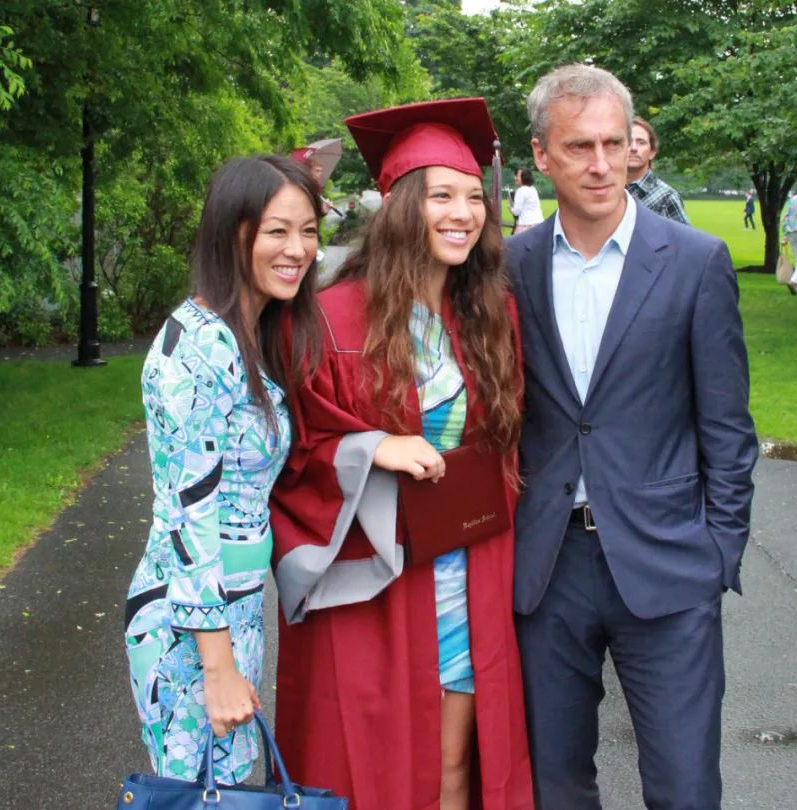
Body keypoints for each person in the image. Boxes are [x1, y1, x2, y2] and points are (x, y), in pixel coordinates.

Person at [269, 98, 534, 810]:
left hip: (470, 572)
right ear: (398, 205)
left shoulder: (491, 314)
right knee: (375, 768)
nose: (463, 213)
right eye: (441, 195)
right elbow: (292, 456)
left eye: (474, 197)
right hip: (377, 581)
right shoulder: (331, 318)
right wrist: (373, 447)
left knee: (456, 766)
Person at [506, 64, 758, 809]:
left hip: (668, 563)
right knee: (554, 786)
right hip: (547, 567)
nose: (601, 164)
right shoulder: (509, 267)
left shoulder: (695, 262)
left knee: (684, 788)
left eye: (613, 144)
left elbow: (728, 428)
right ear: (541, 154)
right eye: (579, 146)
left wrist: (717, 552)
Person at [124, 155, 323, 784]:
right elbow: (186, 515)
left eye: (309, 231)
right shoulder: (196, 349)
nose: (298, 250)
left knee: (226, 786)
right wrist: (218, 668)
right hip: (190, 627)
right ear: (233, 233)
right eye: (277, 231)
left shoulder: (246, 333)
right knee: (204, 793)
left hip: (235, 611)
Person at [625, 116, 690, 224]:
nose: (634, 148)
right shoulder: (608, 192)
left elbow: (683, 235)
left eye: (641, 142)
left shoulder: (666, 197)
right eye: (628, 142)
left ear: (652, 152)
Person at [511, 166, 544, 233]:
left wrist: (510, 207)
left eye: (517, 176)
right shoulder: (533, 189)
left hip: (525, 225)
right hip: (539, 223)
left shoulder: (520, 191)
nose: (515, 178)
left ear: (524, 178)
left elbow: (516, 212)